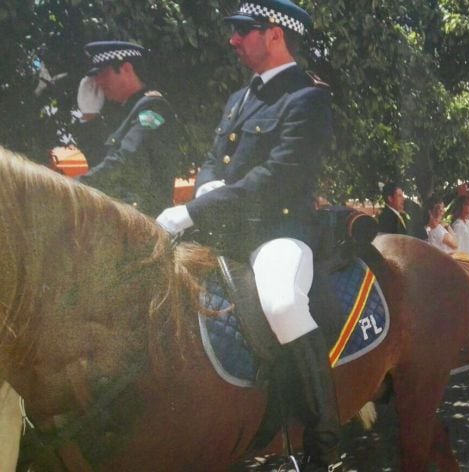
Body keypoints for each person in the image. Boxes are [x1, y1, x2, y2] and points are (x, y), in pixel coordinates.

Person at [155, 1, 340, 469]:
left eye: (243, 31)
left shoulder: (309, 97)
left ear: (275, 33)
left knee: (281, 303)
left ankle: (325, 441)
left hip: (280, 230)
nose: (233, 40)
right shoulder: (239, 99)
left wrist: (192, 210)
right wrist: (206, 185)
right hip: (228, 228)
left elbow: (280, 178)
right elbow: (214, 160)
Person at [76, 41, 180, 217]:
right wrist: (89, 117)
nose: (98, 81)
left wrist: (76, 185)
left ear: (126, 69)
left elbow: (127, 158)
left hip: (144, 221)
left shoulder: (153, 107)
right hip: (120, 217)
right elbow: (98, 161)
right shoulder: (122, 113)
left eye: (103, 73)